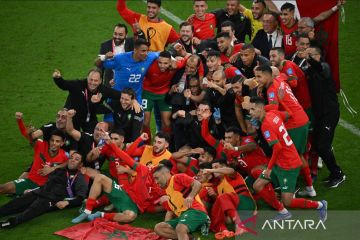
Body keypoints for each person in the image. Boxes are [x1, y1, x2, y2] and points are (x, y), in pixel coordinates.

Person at [248, 97, 328, 221]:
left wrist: (269, 168)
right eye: (249, 110)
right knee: (257, 185)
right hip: (281, 162)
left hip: (288, 165)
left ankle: (320, 205)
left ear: (260, 108)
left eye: (252, 109)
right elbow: (289, 114)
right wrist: (282, 101)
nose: (250, 112)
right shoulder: (273, 114)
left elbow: (277, 148)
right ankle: (283, 212)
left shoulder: (265, 125)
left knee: (288, 201)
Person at [254, 65, 315, 197]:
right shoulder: (279, 79)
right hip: (300, 119)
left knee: (294, 156)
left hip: (294, 123)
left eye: (259, 76)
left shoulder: (271, 89)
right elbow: (285, 76)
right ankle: (308, 186)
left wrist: (257, 107)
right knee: (298, 155)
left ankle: (295, 189)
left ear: (269, 75)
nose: (256, 80)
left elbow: (274, 106)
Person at [72, 130, 153, 224]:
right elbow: (125, 157)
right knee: (99, 177)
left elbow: (126, 156)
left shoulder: (162, 188)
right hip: (121, 189)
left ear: (122, 140)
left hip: (131, 201)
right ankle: (87, 211)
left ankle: (100, 213)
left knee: (129, 216)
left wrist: (126, 170)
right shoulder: (145, 170)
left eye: (116, 139)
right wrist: (96, 150)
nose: (113, 141)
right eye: (112, 138)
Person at [0, 152, 87, 228]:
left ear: (80, 164)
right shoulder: (60, 170)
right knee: (17, 203)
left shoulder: (80, 178)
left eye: (76, 159)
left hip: (52, 200)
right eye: (71, 158)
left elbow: (81, 198)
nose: (72, 160)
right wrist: (32, 190)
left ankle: (10, 223)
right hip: (40, 192)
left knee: (31, 211)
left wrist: (67, 202)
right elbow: (47, 185)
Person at [304, 46, 345, 188]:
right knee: (317, 145)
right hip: (319, 115)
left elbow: (320, 68)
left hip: (329, 113)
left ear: (319, 56)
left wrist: (308, 58)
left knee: (322, 145)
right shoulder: (309, 71)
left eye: (311, 54)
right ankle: (334, 172)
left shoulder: (324, 67)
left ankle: (338, 174)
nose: (308, 57)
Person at [0, 125, 68, 196]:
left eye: (57, 141)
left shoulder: (64, 155)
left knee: (26, 198)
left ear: (62, 143)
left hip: (44, 188)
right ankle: (19, 194)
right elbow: (32, 141)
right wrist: (30, 134)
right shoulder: (41, 145)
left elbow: (68, 163)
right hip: (30, 182)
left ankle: (20, 194)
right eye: (52, 140)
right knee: (3, 188)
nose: (54, 143)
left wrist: (52, 169)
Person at [53, 68, 121, 132]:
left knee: (95, 135)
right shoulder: (78, 84)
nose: (92, 83)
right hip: (73, 116)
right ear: (87, 78)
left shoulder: (103, 90)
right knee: (72, 138)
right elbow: (64, 84)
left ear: (100, 81)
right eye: (90, 79)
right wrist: (57, 78)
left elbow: (120, 95)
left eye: (96, 80)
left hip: (90, 117)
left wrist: (131, 99)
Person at [153, 161, 210, 240]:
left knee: (180, 228)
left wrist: (190, 197)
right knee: (158, 228)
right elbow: (170, 211)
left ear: (165, 174)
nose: (156, 182)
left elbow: (197, 184)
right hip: (183, 216)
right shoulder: (167, 190)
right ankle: (192, 238)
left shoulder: (177, 178)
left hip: (196, 211)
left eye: (157, 178)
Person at [142, 51, 187, 141]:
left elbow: (187, 59)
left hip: (163, 94)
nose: (162, 65)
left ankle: (165, 145)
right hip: (147, 93)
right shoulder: (150, 66)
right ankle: (147, 146)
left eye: (165, 63)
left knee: (167, 123)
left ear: (170, 62)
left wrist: (183, 57)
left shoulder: (176, 65)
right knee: (145, 123)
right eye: (160, 62)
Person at [99, 38, 159, 104]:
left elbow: (162, 54)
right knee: (110, 113)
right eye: (143, 51)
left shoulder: (149, 57)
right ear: (135, 50)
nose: (146, 53)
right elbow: (101, 63)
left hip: (135, 98)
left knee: (138, 114)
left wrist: (172, 60)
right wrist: (104, 57)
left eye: (147, 51)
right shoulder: (121, 58)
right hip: (117, 96)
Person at [269, 47, 311, 114]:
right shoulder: (278, 68)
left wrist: (281, 77)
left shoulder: (288, 67)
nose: (271, 59)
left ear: (282, 57)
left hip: (302, 103)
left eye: (274, 56)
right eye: (270, 56)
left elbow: (294, 83)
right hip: (295, 102)